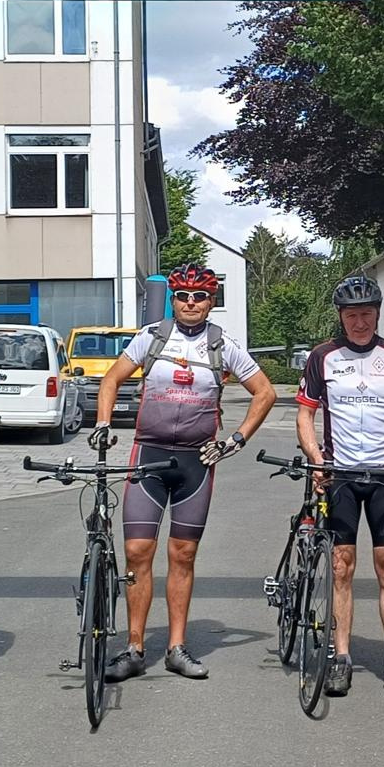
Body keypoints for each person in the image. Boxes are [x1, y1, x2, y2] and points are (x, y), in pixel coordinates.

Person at [89, 263, 276, 682]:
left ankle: (176, 647)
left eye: (200, 296)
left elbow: (264, 392)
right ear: (173, 300)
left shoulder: (223, 344)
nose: (191, 303)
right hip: (149, 456)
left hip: (196, 462)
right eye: (183, 296)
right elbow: (111, 380)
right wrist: (102, 422)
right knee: (138, 552)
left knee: (183, 555)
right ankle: (134, 647)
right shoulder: (152, 336)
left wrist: (237, 439)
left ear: (211, 301)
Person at [296, 275, 384, 700]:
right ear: (341, 316)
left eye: (367, 314)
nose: (359, 322)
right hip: (341, 476)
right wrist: (316, 456)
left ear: (377, 314)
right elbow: (305, 414)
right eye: (352, 315)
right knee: (341, 567)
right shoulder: (322, 357)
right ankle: (341, 657)